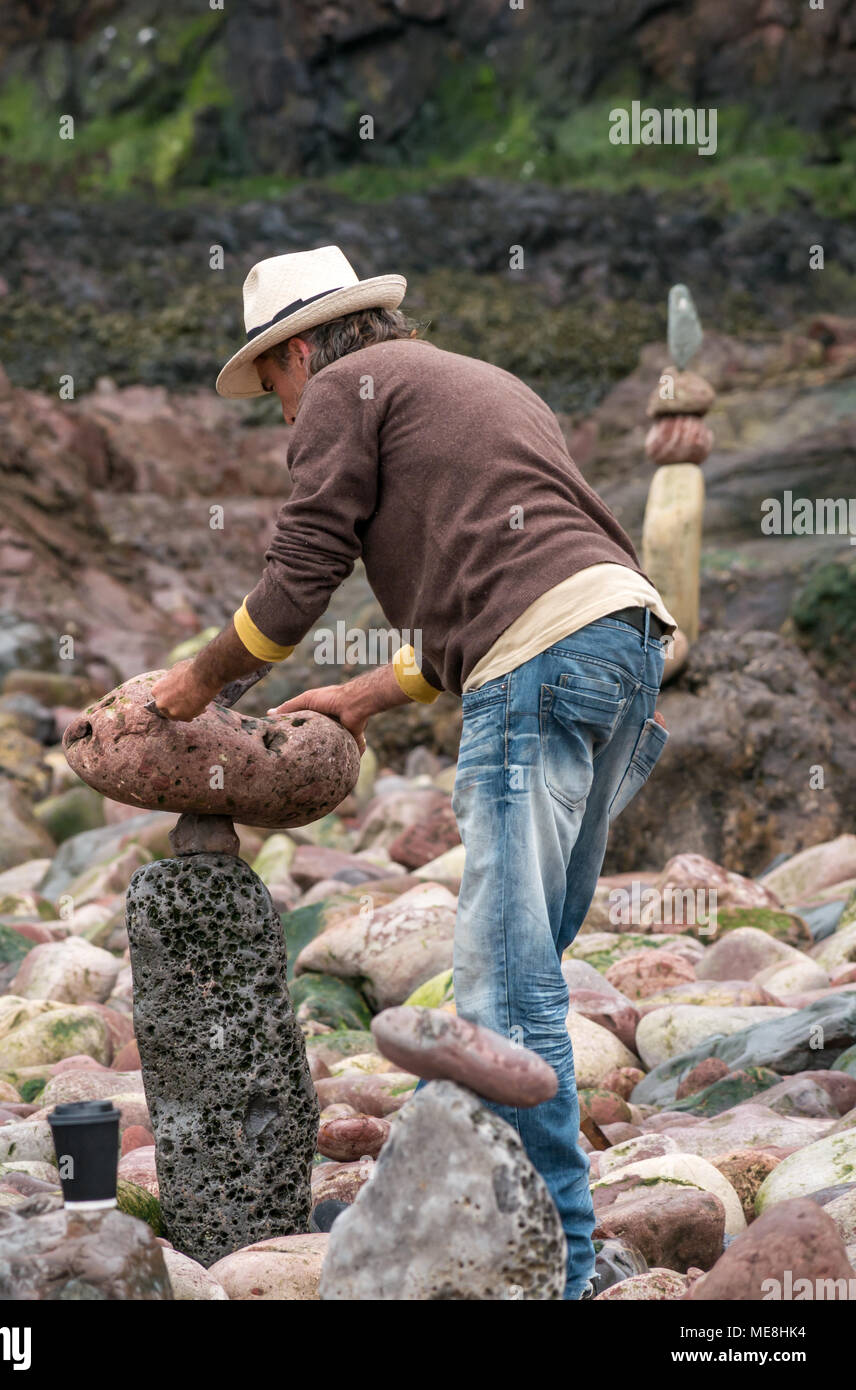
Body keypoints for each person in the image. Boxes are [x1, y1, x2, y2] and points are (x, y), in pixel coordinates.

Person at [149, 244, 676, 1300]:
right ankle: (478, 1212)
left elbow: (300, 575)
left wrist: (188, 690)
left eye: (274, 389)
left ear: (301, 348)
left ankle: (557, 1265)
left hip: (533, 673)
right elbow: (497, 575)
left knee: (503, 992)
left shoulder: (346, 387)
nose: (284, 419)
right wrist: (360, 696)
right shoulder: (471, 381)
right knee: (533, 953)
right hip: (623, 647)